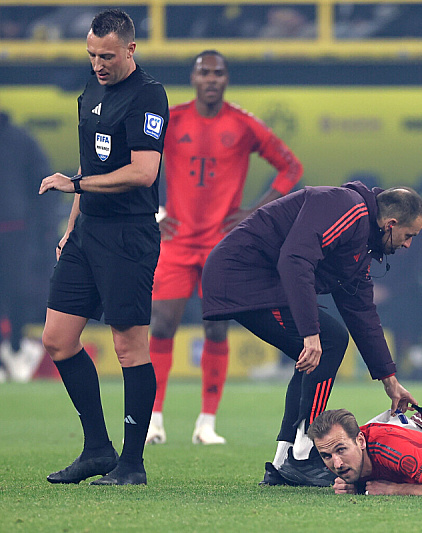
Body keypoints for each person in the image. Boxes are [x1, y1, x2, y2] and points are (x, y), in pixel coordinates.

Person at [201, 182, 422, 486]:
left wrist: (390, 380)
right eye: (409, 235)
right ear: (391, 224)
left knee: (320, 349)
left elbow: (361, 311)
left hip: (255, 278)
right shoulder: (348, 207)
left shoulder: (362, 242)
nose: (408, 244)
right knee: (330, 340)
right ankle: (303, 454)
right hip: (245, 276)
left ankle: (285, 461)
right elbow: (295, 259)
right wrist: (310, 333)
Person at [146, 50, 304, 446]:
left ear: (226, 79)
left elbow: (291, 167)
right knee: (162, 323)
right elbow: (140, 162)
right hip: (176, 240)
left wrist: (255, 211)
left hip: (222, 245)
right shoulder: (173, 120)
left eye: (218, 73)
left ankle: (206, 422)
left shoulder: (244, 124)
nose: (212, 79)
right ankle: (154, 418)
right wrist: (156, 210)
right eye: (205, 73)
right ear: (194, 78)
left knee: (216, 327)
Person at [38, 9, 169, 485]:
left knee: (129, 346)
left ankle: (132, 464)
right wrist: (72, 225)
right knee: (57, 339)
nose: (98, 64)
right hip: (87, 231)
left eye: (107, 56)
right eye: (92, 54)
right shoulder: (90, 89)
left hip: (128, 235)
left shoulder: (148, 95)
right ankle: (97, 448)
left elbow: (143, 172)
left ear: (130, 50)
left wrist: (74, 188)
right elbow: (88, 160)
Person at [0, 110, 54, 383]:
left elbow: (43, 184)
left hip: (15, 232)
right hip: (16, 228)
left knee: (16, 292)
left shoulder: (21, 141)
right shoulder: (22, 140)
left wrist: (43, 228)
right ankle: (10, 354)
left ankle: (16, 348)